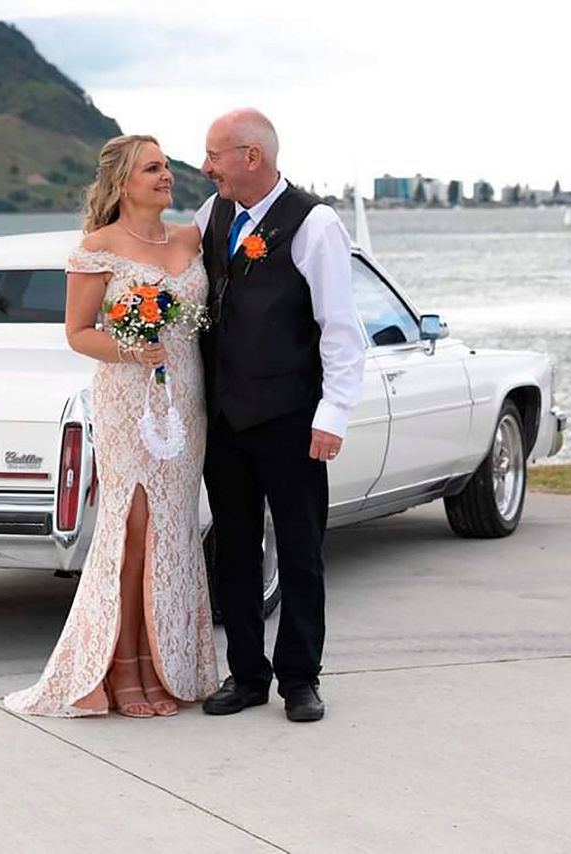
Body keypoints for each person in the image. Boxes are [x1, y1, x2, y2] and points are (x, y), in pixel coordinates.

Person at [5, 135, 218, 718]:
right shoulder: (96, 249)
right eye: (153, 168)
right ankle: (121, 671)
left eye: (167, 165)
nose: (166, 175)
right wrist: (131, 349)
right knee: (133, 531)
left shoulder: (191, 238)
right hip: (128, 402)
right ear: (123, 182)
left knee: (174, 532)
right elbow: (78, 333)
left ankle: (170, 665)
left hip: (186, 405)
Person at [194, 108, 366, 723]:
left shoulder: (315, 224)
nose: (205, 165)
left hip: (294, 417)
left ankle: (300, 677)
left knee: (299, 551)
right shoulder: (209, 216)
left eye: (214, 154)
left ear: (251, 157)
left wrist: (334, 414)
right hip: (225, 421)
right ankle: (245, 674)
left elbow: (341, 331)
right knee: (234, 552)